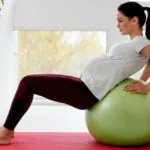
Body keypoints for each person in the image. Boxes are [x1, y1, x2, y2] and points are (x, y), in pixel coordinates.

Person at [0, 1, 150, 145]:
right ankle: (8, 129)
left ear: (134, 20)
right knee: (29, 82)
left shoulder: (141, 42)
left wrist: (146, 87)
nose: (117, 25)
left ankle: (6, 132)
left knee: (28, 82)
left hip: (87, 92)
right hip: (84, 84)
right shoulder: (134, 43)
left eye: (121, 20)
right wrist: (142, 79)